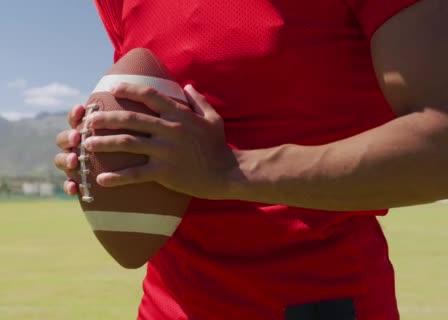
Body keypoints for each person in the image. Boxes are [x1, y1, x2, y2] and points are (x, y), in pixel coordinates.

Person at [55, 0, 448, 319]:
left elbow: (440, 141)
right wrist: (109, 151)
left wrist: (231, 170)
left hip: (316, 303)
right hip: (166, 306)